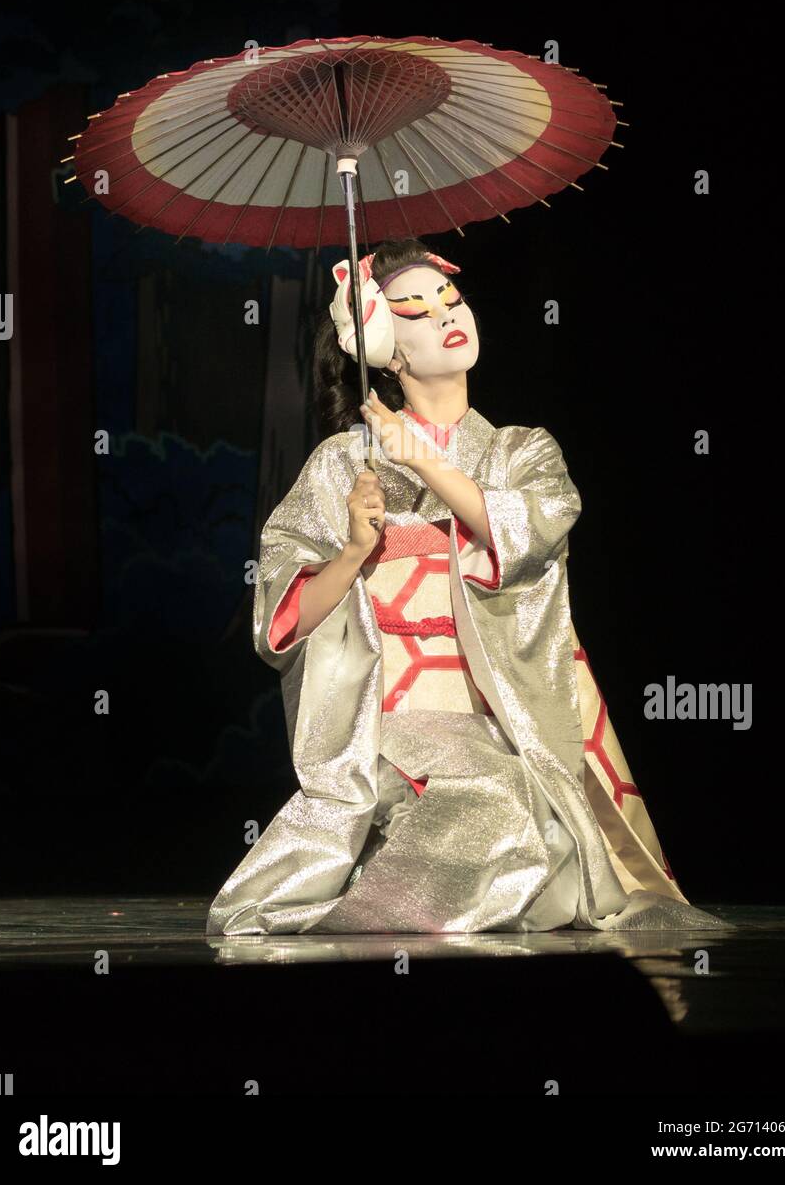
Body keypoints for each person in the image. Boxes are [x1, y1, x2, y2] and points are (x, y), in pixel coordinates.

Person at [206, 238, 729, 936]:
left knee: (549, 846)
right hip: (389, 718)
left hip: (494, 718)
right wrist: (357, 549)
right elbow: (282, 619)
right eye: (414, 312)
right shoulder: (341, 464)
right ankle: (360, 912)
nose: (445, 316)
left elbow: (526, 535)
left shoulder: (522, 450)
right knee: (499, 804)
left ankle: (389, 906)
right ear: (386, 349)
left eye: (450, 300)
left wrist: (421, 460)